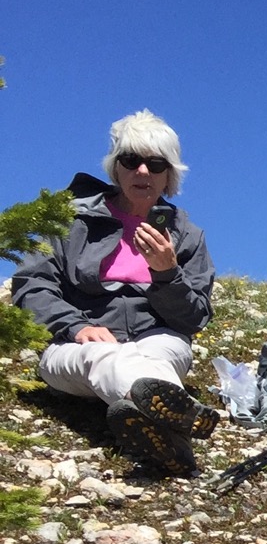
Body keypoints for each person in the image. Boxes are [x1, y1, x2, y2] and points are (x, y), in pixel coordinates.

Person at [12, 111, 218, 475]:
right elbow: (31, 285)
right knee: (104, 356)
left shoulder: (186, 234)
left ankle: (163, 436)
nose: (142, 172)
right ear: (115, 168)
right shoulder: (69, 221)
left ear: (169, 175)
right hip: (76, 345)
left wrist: (167, 272)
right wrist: (75, 326)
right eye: (131, 160)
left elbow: (195, 317)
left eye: (155, 164)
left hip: (158, 338)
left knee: (158, 355)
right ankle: (180, 420)